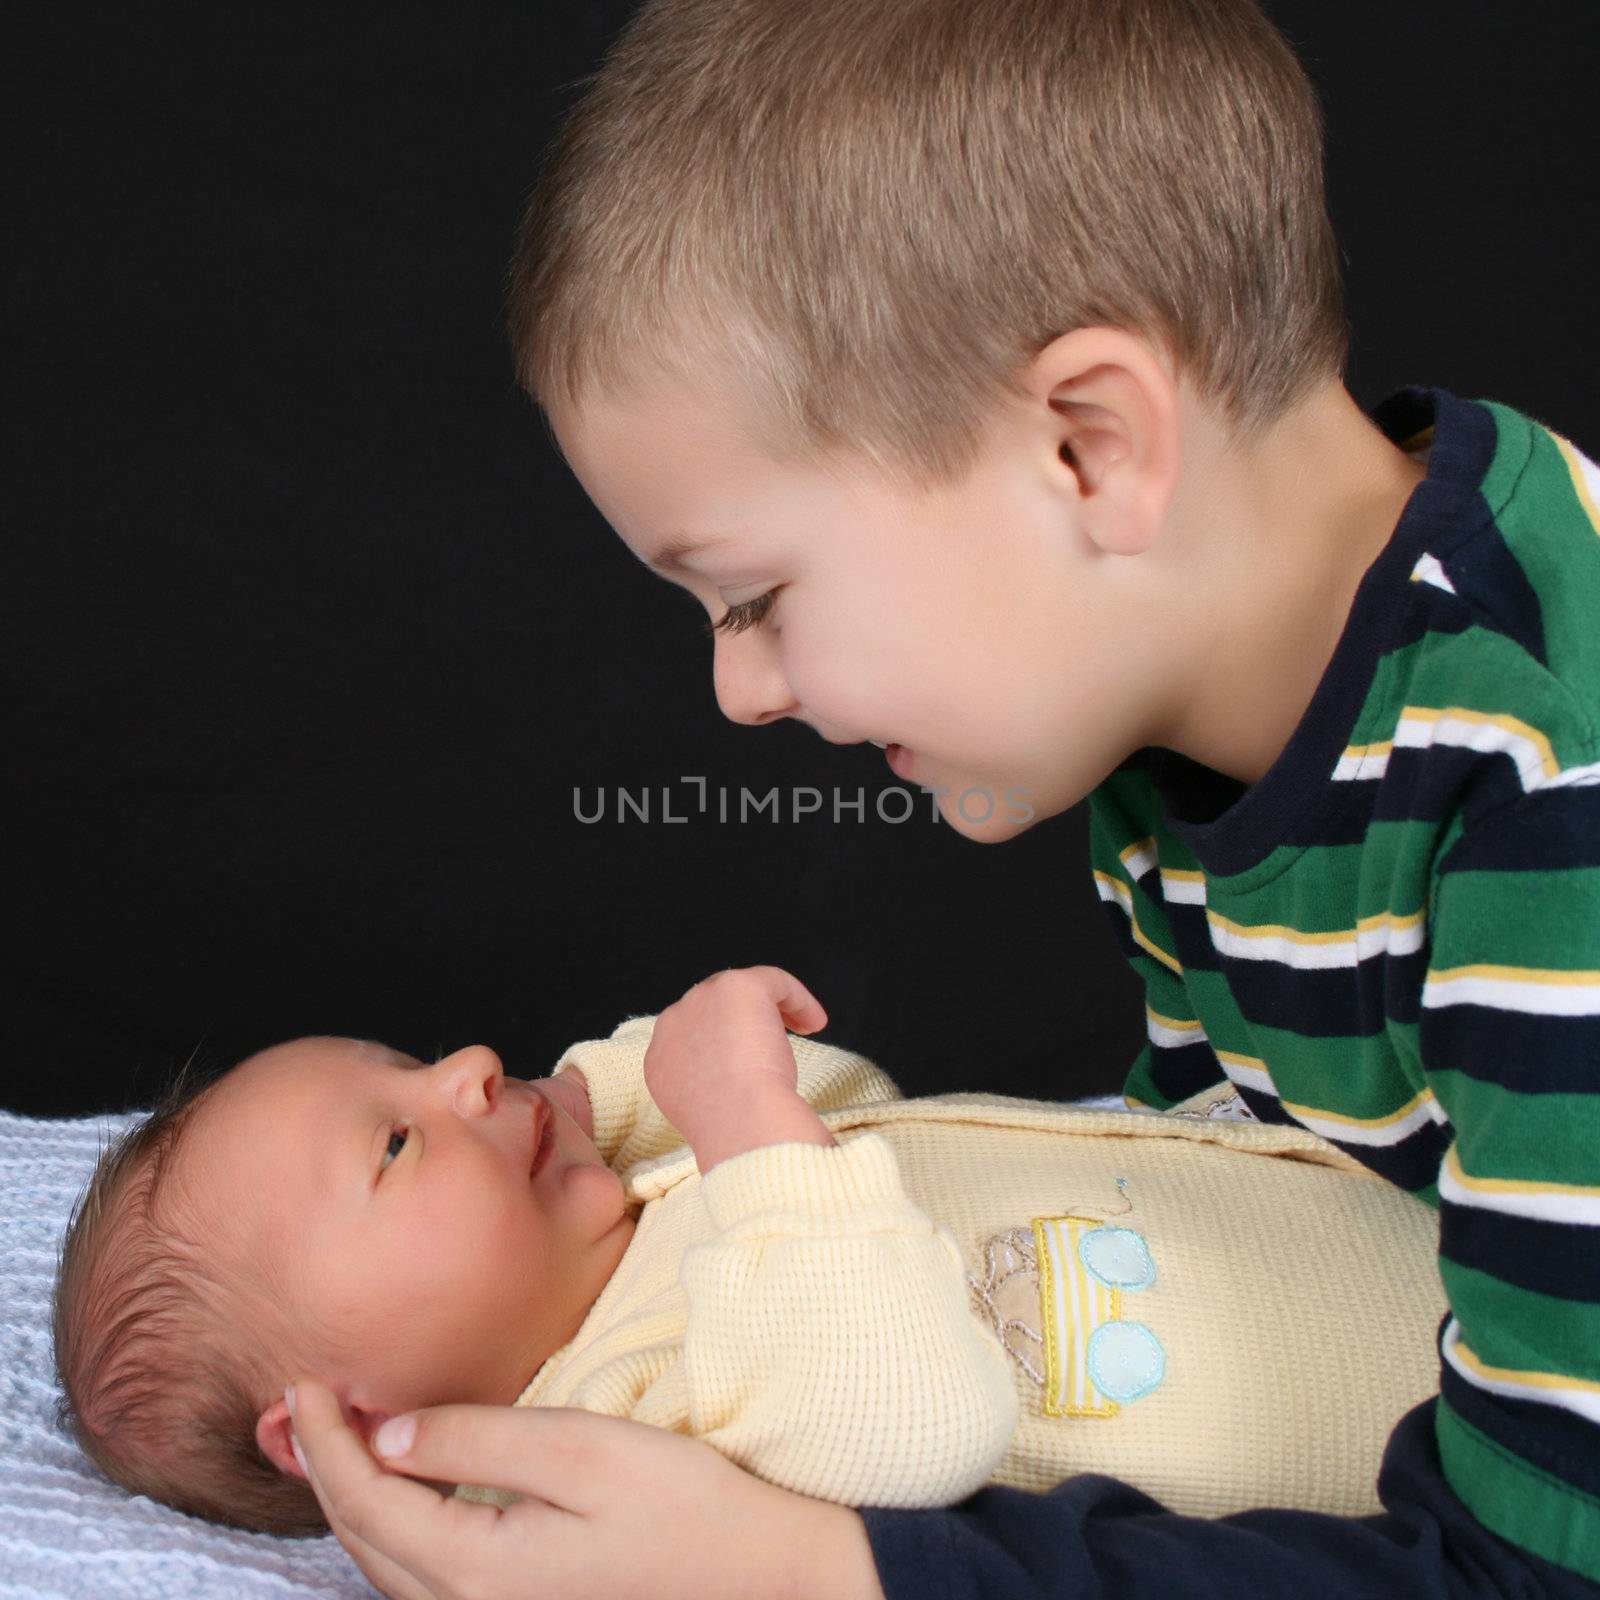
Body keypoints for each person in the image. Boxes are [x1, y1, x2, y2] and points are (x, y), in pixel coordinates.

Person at [288, 0, 1600, 1595]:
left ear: (1087, 447)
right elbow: (1236, 1184)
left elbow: (1537, 1570)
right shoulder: (1181, 712)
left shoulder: (1548, 802)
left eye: (756, 595)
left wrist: (820, 1575)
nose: (740, 693)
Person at [52, 965, 1445, 1536]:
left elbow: (853, 1102)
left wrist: (643, 1105)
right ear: (338, 1425)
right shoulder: (603, 1436)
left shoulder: (648, 1195)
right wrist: (744, 1131)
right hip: (1449, 1433)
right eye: (398, 1145)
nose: (470, 1066)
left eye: (417, 1065)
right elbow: (905, 1432)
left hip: (1431, 1233)